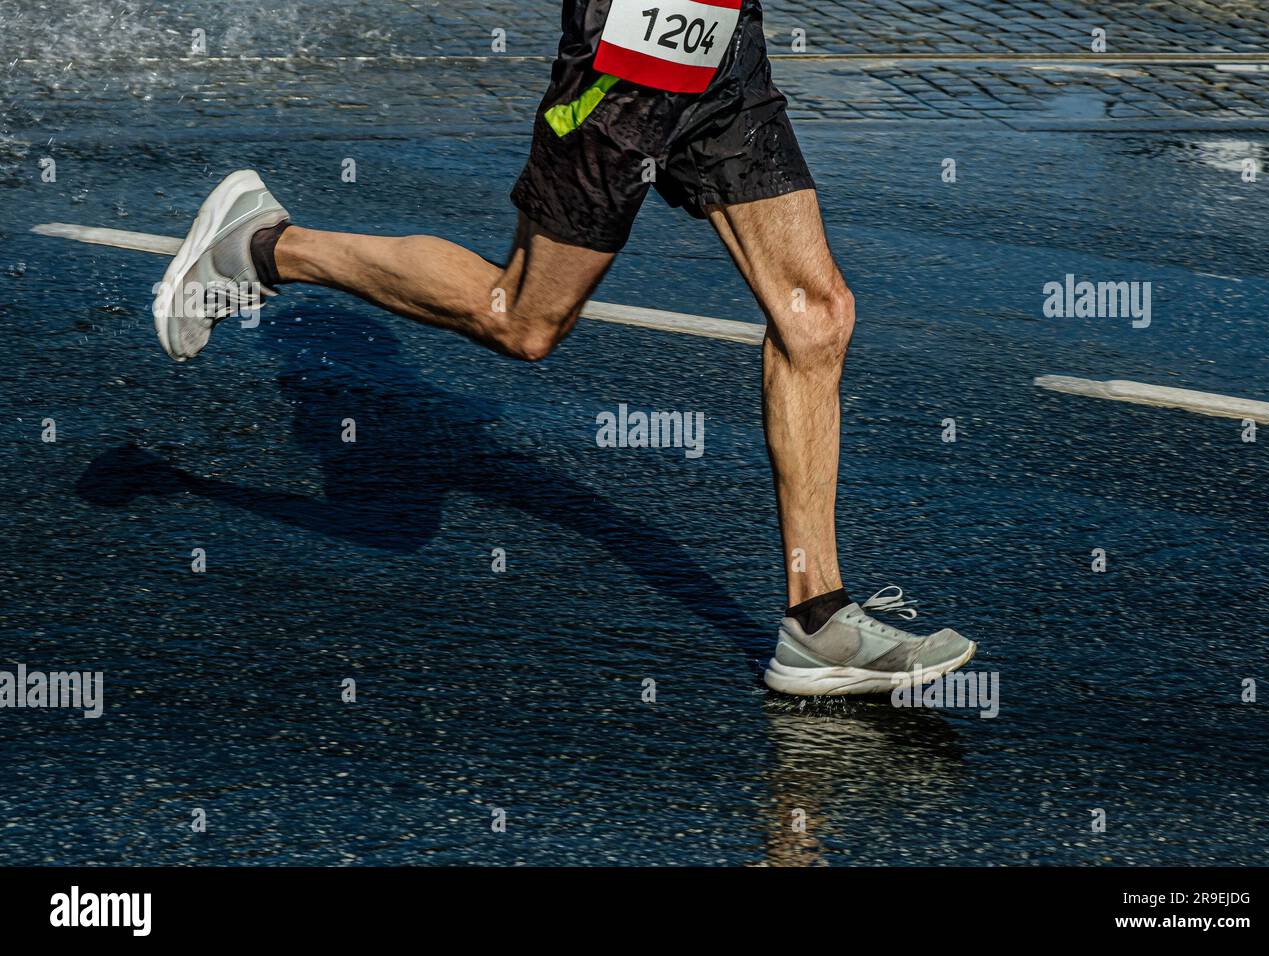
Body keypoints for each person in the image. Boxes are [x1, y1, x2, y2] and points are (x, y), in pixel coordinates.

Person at [151, 0, 975, 695]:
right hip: (640, 38)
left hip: (722, 38)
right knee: (525, 319)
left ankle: (816, 620)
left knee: (816, 314)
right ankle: (261, 245)